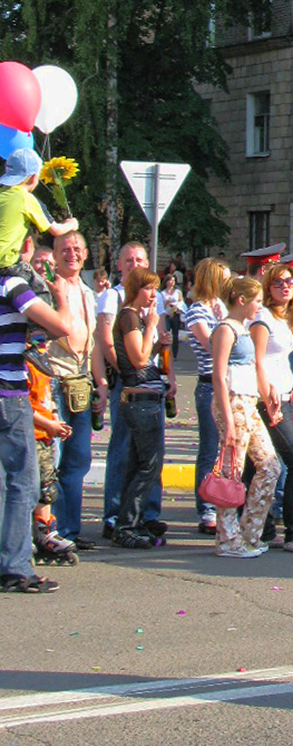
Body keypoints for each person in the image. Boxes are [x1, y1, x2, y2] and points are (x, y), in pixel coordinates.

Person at [0, 201, 80, 594]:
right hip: (8, 392)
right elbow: (62, 326)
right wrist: (59, 292)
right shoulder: (11, 284)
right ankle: (14, 566)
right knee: (24, 482)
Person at [37, 230, 106, 552]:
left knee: (78, 460)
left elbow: (93, 348)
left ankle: (71, 529)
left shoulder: (88, 293)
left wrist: (100, 383)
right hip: (52, 379)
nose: (72, 254)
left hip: (80, 382)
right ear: (55, 253)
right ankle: (51, 528)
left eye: (77, 248)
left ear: (86, 253)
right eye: (65, 249)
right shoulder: (47, 289)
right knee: (54, 457)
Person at [210, 276, 282, 557]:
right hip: (233, 401)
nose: (259, 307)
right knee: (232, 470)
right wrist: (227, 419)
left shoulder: (242, 328)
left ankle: (249, 531)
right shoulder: (226, 329)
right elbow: (218, 374)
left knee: (270, 466)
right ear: (241, 300)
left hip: (248, 402)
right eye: (256, 301)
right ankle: (227, 539)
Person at [249, 261, 293, 554]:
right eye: (278, 283)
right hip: (269, 402)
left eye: (290, 282)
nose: (285, 286)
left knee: (264, 466)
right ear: (267, 288)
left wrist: (290, 398)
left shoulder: (283, 317)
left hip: (285, 399)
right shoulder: (262, 318)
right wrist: (269, 399)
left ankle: (262, 528)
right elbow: (258, 360)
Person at [112, 265, 168, 549]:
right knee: (148, 464)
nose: (152, 295)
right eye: (148, 288)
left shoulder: (134, 317)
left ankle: (129, 521)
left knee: (138, 464)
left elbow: (146, 359)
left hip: (147, 398)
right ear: (135, 290)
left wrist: (159, 347)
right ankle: (127, 524)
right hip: (139, 402)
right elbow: (137, 359)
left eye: (155, 289)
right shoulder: (129, 317)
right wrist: (150, 328)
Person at [184, 257, 230, 535]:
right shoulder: (197, 311)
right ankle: (206, 509)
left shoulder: (222, 308)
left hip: (230, 382)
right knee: (210, 449)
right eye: (223, 278)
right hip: (209, 384)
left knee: (228, 448)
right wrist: (223, 322)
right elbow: (213, 346)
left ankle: (226, 502)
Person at [26, 357, 77, 566]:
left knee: (47, 487)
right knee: (28, 488)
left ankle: (45, 531)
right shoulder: (24, 366)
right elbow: (23, 405)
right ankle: (26, 535)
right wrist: (48, 424)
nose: (43, 346)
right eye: (38, 340)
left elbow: (49, 401)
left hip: (46, 434)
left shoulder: (43, 366)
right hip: (31, 434)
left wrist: (56, 422)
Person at [161, 268, 184, 359]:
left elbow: (181, 302)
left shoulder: (177, 292)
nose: (172, 282)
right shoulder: (162, 293)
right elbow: (161, 306)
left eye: (173, 281)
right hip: (166, 315)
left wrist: (176, 306)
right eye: (170, 280)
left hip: (175, 314)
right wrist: (166, 303)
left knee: (175, 335)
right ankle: (165, 354)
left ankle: (174, 354)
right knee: (166, 334)